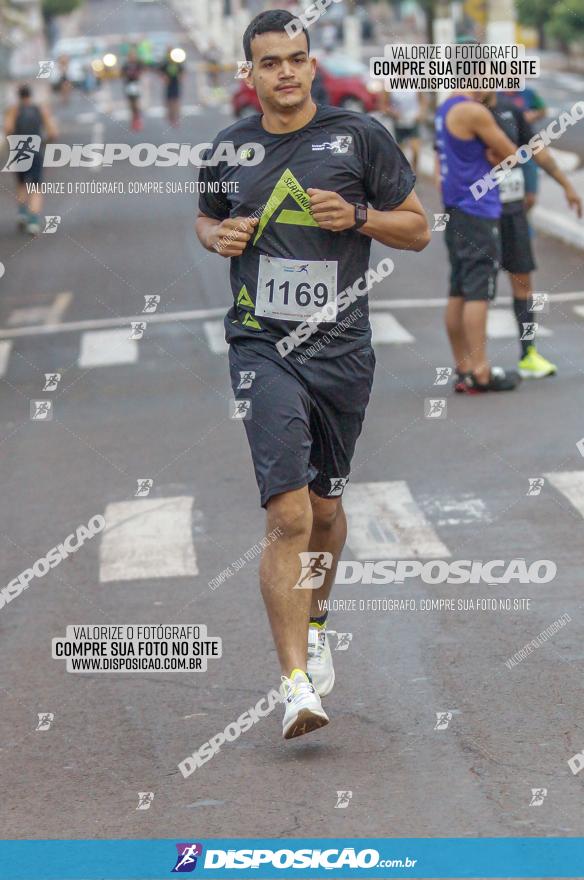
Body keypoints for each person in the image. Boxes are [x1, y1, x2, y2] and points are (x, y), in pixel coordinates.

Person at [195, 9, 430, 739]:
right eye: (271, 63)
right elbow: (206, 219)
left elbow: (418, 228)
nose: (287, 72)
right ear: (251, 73)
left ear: (311, 63)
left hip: (342, 349)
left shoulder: (360, 136)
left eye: (296, 59)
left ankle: (317, 618)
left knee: (326, 513)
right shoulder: (227, 150)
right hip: (260, 344)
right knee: (289, 513)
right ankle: (296, 685)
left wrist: (358, 217)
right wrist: (218, 235)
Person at [483, 91, 582, 378]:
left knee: (523, 280)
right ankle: (474, 364)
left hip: (512, 210)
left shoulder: (509, 111)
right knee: (475, 290)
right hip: (478, 213)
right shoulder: (460, 113)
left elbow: (537, 148)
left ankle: (528, 354)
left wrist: (567, 185)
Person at [435, 90, 524, 392]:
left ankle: (464, 368)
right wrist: (497, 155)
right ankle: (481, 371)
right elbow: (513, 154)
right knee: (477, 291)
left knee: (459, 287)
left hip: (455, 207)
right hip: (477, 209)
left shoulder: (445, 107)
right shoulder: (474, 112)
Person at [3, 83, 58, 234]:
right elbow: (53, 132)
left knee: (21, 184)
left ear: (18, 96)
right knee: (36, 187)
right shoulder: (40, 109)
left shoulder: (13, 110)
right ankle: (33, 221)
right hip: (35, 150)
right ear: (30, 94)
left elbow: (7, 128)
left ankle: (22, 213)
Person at [384, 89, 427, 174]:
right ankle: (402, 174)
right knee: (400, 152)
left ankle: (414, 173)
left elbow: (423, 100)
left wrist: (421, 112)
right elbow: (383, 105)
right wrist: (392, 112)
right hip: (399, 122)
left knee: (416, 150)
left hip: (413, 121)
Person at [160, 47, 185, 126]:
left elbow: (182, 70)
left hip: (175, 83)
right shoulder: (165, 62)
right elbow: (160, 71)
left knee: (176, 100)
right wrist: (163, 77)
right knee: (169, 100)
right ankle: (170, 116)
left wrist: (181, 77)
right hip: (169, 84)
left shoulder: (177, 62)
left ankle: (176, 117)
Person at [121, 47, 144, 131]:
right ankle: (133, 119)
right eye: (131, 55)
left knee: (136, 103)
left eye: (133, 55)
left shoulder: (138, 64)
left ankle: (138, 119)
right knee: (131, 104)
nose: (132, 57)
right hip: (128, 85)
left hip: (136, 85)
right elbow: (122, 73)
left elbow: (142, 71)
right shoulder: (126, 65)